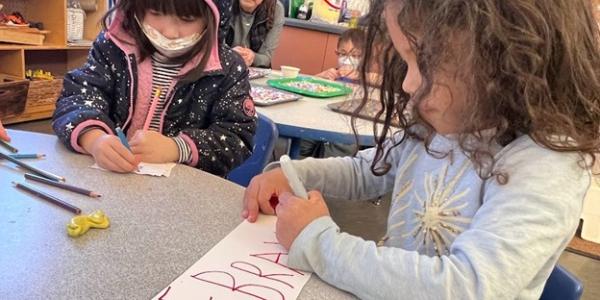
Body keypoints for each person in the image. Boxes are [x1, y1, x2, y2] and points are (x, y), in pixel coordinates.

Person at [242, 0, 600, 298]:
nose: (408, 83)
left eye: (425, 61)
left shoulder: (545, 166)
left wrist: (318, 242)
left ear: (508, 59)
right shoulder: (438, 125)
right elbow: (369, 170)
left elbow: (467, 287)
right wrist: (295, 174)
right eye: (405, 61)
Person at [53, 0, 257, 177]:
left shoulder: (228, 68)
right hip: (112, 182)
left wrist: (177, 148)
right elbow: (78, 97)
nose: (169, 32)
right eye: (156, 13)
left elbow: (237, 137)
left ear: (213, 17)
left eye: (187, 18)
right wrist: (94, 138)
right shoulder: (111, 47)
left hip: (184, 196)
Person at [225, 0, 285, 67]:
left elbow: (266, 57)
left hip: (255, 71)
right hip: (222, 67)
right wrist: (228, 54)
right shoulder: (223, 3)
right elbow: (213, 49)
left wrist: (253, 57)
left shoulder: (275, 9)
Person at [316, 28, 382, 86]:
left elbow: (383, 81)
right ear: (337, 52)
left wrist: (360, 76)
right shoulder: (334, 74)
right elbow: (308, 82)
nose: (347, 61)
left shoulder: (366, 77)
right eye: (343, 54)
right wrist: (321, 76)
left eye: (355, 55)